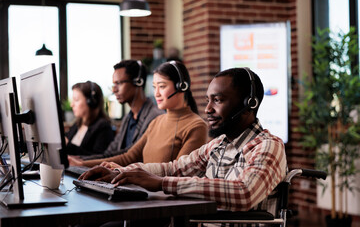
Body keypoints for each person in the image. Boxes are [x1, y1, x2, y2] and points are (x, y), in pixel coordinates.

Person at [79, 67, 287, 213]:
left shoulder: (268, 146)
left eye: (218, 100)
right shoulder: (218, 145)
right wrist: (121, 173)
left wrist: (162, 184)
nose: (208, 109)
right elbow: (174, 168)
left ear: (248, 104)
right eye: (208, 100)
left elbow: (244, 193)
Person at [71, 60, 208, 168]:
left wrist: (127, 171)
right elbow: (128, 157)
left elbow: (177, 170)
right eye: (154, 87)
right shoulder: (157, 122)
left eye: (162, 86)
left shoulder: (196, 126)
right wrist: (82, 164)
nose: (156, 93)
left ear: (181, 86)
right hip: (144, 193)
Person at [68, 60, 164, 162]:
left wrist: (82, 162)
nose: (114, 90)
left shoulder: (154, 117)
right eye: (114, 84)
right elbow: (109, 153)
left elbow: (129, 154)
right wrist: (79, 160)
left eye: (119, 83)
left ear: (138, 82)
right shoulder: (128, 117)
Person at [65, 81, 114, 156]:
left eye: (76, 100)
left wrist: (68, 145)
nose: (72, 105)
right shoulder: (78, 124)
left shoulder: (103, 126)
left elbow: (98, 158)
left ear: (91, 102)